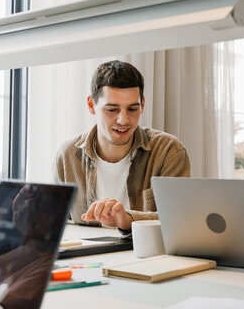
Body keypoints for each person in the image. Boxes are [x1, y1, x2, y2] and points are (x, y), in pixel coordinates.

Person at [53, 60, 190, 231]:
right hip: (87, 256)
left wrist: (128, 219)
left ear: (142, 105)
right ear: (91, 105)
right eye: (111, 109)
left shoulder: (168, 151)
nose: (123, 120)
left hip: (147, 256)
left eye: (133, 109)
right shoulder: (67, 156)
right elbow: (59, 225)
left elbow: (177, 218)